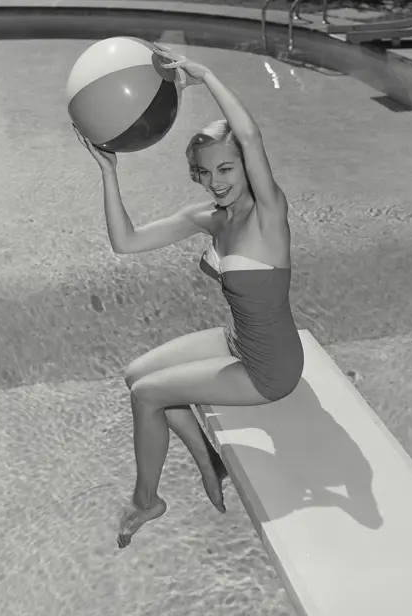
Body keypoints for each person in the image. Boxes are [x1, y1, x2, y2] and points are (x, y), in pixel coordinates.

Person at [75, 43, 304, 548]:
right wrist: (110, 174)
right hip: (239, 342)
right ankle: (209, 461)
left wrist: (205, 73)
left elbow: (250, 134)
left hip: (272, 370)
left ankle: (146, 501)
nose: (216, 182)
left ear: (247, 166)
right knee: (136, 374)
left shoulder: (268, 214)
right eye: (206, 172)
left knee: (146, 395)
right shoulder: (209, 217)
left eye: (226, 169)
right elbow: (126, 242)